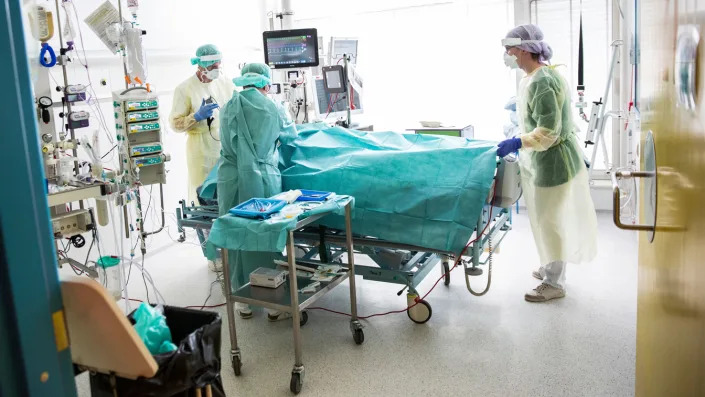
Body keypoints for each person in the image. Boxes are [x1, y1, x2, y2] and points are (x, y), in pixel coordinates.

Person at [496, 24, 598, 302]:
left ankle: (555, 283)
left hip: (555, 161)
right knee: (543, 218)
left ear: (523, 49)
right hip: (543, 159)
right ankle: (549, 267)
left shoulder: (543, 80)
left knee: (551, 222)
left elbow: (549, 132)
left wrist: (518, 142)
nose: (506, 54)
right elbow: (536, 122)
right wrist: (520, 137)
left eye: (509, 49)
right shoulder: (533, 78)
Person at [217, 63, 297, 319]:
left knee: (236, 236)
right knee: (264, 236)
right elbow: (290, 137)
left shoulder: (228, 106)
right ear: (266, 84)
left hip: (231, 180)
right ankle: (273, 305)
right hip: (262, 178)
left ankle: (242, 300)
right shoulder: (273, 107)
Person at [169, 44, 234, 271]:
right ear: (200, 65)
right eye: (212, 64)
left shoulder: (225, 83)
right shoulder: (185, 89)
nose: (216, 68)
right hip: (200, 151)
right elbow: (175, 123)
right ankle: (212, 255)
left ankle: (232, 251)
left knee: (227, 199)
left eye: (219, 63)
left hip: (225, 148)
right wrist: (195, 117)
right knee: (203, 203)